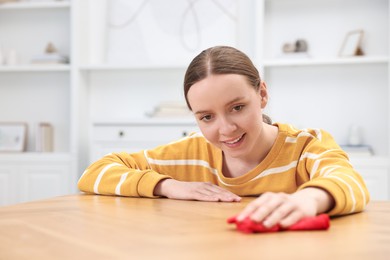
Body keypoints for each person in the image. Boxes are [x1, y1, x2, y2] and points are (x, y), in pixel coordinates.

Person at [78, 46, 369, 228]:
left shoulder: (306, 146)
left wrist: (310, 200)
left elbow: (350, 182)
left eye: (237, 108)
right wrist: (167, 186)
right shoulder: (191, 151)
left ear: (262, 94)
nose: (226, 129)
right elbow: (95, 172)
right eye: (207, 117)